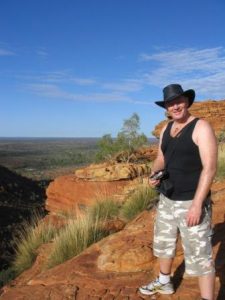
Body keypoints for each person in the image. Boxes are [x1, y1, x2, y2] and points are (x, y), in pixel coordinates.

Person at [139, 84, 218, 300]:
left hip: (192, 200)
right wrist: (154, 173)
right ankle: (164, 282)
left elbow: (210, 168)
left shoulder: (201, 127)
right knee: (164, 244)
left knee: (201, 257)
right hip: (167, 197)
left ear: (187, 101)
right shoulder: (166, 129)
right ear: (166, 107)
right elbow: (162, 158)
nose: (175, 106)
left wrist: (197, 204)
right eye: (170, 103)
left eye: (179, 101)